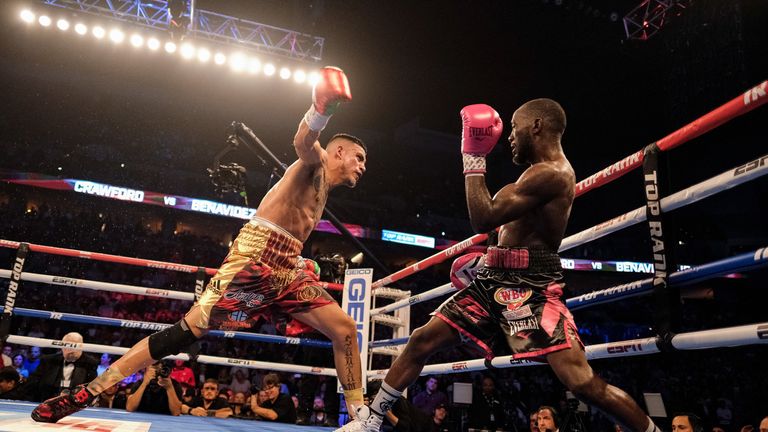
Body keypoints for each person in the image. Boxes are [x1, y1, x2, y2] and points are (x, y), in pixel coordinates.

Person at [31, 65, 369, 426]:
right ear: (338, 152)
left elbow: (290, 240)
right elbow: (303, 141)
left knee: (345, 329)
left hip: (286, 267)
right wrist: (322, 109)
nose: (362, 167)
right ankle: (88, 392)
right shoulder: (314, 165)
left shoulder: (321, 192)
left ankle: (358, 416)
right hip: (254, 258)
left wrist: (311, 266)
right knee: (182, 334)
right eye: (359, 158)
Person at [347, 100, 662, 432]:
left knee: (580, 381)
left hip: (533, 286)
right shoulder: (534, 173)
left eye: (515, 126)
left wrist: (473, 156)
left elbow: (483, 217)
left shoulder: (552, 173)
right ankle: (371, 421)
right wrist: (490, 258)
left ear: (536, 125)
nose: (509, 136)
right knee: (421, 340)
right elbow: (509, 232)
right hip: (492, 279)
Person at [26, 332, 98, 401]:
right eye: (67, 347)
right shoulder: (49, 360)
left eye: (73, 347)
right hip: (49, 400)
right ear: (62, 347)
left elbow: (92, 389)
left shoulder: (90, 363)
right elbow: (33, 382)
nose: (70, 351)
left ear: (81, 347)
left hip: (76, 403)